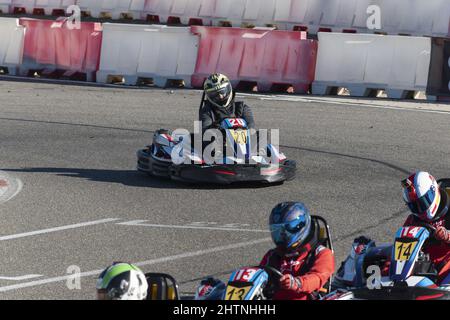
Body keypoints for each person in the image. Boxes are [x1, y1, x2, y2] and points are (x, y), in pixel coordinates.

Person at [260, 202, 335, 300]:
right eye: (278, 230)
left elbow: (317, 278)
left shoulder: (322, 253)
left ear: (300, 226)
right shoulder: (273, 255)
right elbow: (258, 274)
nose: (283, 235)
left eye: (287, 229)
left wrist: (297, 283)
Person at [401, 171, 450, 286]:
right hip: (423, 265)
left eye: (422, 202)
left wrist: (447, 235)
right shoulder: (413, 220)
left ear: (433, 192)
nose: (420, 208)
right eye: (414, 205)